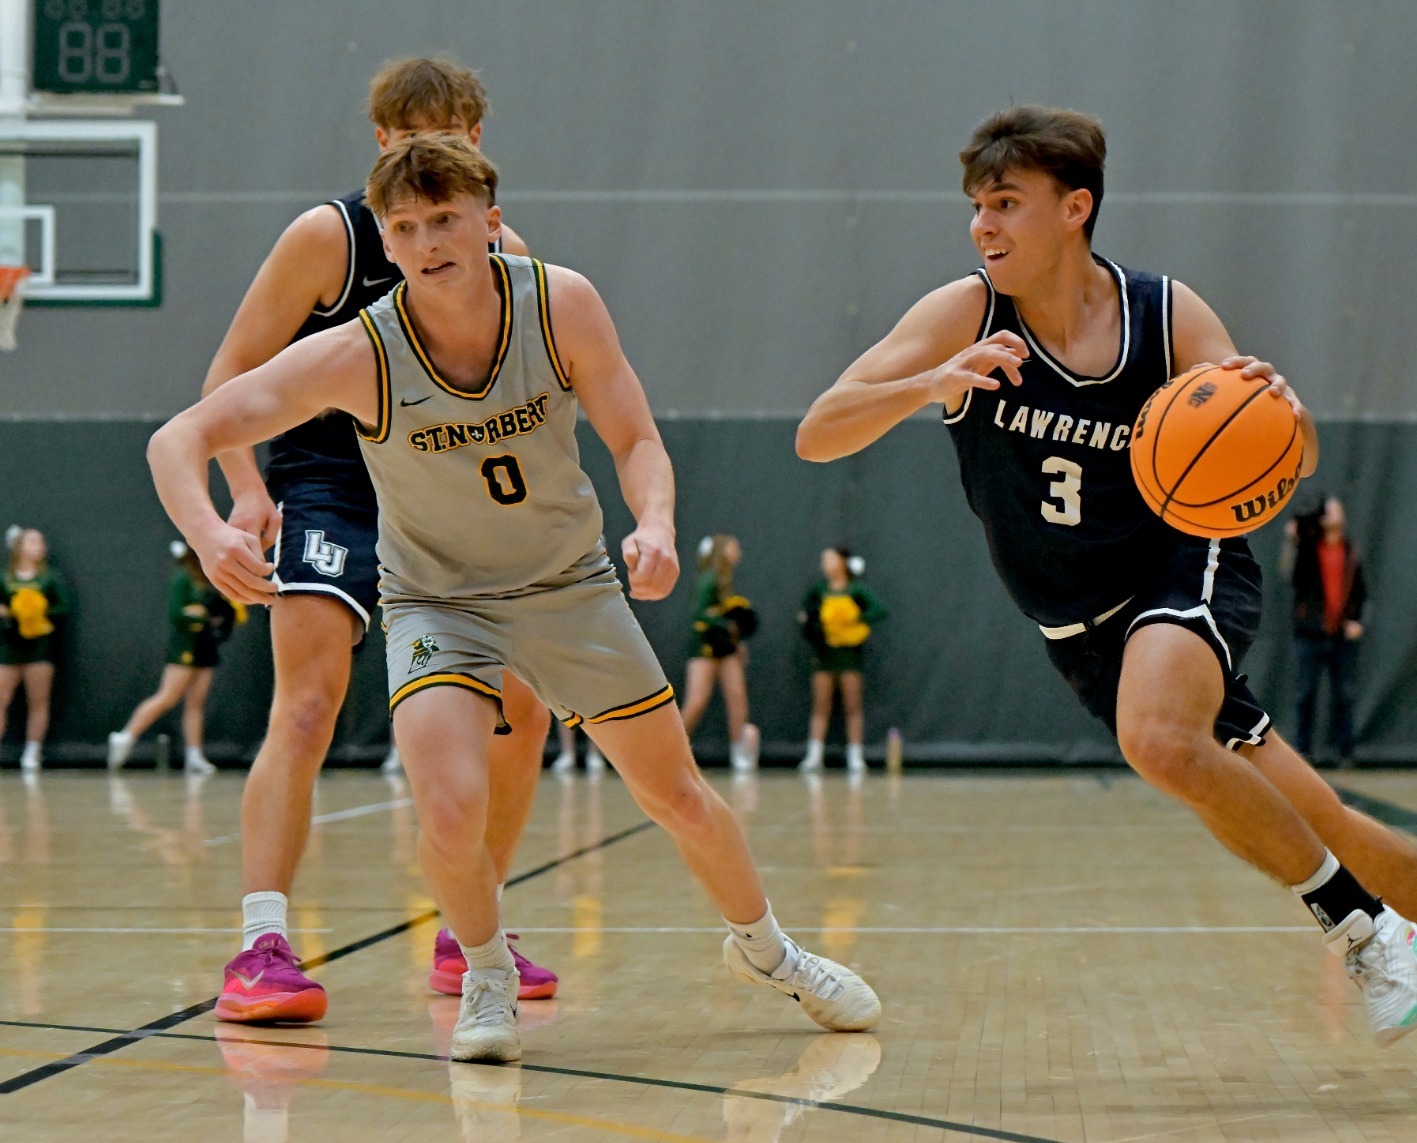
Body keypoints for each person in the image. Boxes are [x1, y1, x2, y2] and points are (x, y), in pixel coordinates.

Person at [796, 105, 1417, 1069]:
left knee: (1155, 736)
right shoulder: (962, 315)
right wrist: (927, 382)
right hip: (1079, 629)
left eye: (1005, 203)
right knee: (1318, 818)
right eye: (976, 208)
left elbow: (1292, 456)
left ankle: (1364, 932)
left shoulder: (1164, 314)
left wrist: (1279, 409)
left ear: (1075, 208)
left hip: (1182, 564)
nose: (982, 226)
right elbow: (818, 431)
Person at [149, 134, 879, 1061]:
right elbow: (180, 437)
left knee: (678, 795)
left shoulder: (559, 303)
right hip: (434, 603)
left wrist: (653, 520)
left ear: (490, 222)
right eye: (405, 227)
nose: (428, 241)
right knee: (449, 804)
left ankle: (769, 950)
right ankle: (484, 971)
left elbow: (637, 436)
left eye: (446, 219)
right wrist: (215, 530)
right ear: (384, 236)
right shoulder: (359, 353)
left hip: (566, 585)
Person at [194, 58, 558, 1023]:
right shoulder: (330, 236)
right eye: (403, 138)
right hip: (332, 485)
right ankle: (260, 944)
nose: (423, 154)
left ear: (477, 149)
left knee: (523, 708)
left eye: (444, 135)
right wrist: (242, 493)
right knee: (307, 701)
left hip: (447, 489)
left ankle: (469, 928)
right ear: (381, 147)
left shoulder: (507, 255)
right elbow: (229, 374)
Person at [106, 542, 247, 774]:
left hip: (206, 646)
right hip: (185, 646)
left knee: (196, 702)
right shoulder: (182, 578)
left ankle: (194, 755)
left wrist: (223, 617)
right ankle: (125, 737)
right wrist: (204, 617)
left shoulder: (212, 577)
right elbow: (177, 614)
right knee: (168, 696)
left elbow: (220, 611)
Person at [1290, 497, 1368, 767]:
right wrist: (1297, 534)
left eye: (1336, 509)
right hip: (1310, 634)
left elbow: (1360, 591)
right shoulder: (1308, 549)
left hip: (1341, 637)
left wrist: (1356, 620)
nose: (1331, 514)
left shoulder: (1350, 551)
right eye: (1327, 510)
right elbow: (1292, 575)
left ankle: (1346, 752)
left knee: (1344, 695)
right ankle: (1303, 751)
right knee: (1305, 693)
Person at [798, 547, 886, 774]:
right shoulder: (819, 590)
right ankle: (814, 755)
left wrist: (854, 618)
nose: (825, 563)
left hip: (849, 656)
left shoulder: (856, 589)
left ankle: (855, 754)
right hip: (824, 654)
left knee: (852, 705)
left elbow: (879, 609)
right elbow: (805, 613)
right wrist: (811, 622)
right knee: (821, 705)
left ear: (842, 562)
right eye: (823, 559)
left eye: (829, 559)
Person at [681, 534, 761, 771]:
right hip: (705, 647)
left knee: (737, 698)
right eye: (733, 546)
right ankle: (674, 751)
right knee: (697, 701)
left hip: (726, 648)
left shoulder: (727, 581)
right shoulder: (709, 579)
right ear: (721, 550)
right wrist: (727, 626)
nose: (738, 551)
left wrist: (737, 640)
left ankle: (740, 754)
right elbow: (699, 614)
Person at [1, 526, 69, 774]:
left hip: (39, 649)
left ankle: (32, 752)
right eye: (33, 541)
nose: (39, 546)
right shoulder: (5, 578)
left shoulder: (49, 578)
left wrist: (40, 612)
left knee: (38, 701)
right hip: (9, 647)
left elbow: (63, 608)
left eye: (41, 542)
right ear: (19, 547)